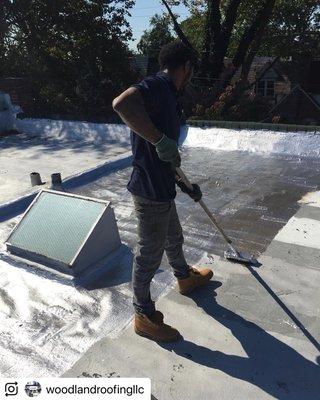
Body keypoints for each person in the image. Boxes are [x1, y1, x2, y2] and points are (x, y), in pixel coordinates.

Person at [112, 40, 213, 342]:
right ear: (186, 68)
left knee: (174, 237)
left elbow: (165, 155)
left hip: (162, 185)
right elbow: (121, 104)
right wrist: (159, 140)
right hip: (149, 190)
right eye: (191, 71)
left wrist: (185, 185)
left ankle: (184, 278)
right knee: (148, 255)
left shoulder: (167, 92)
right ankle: (143, 315)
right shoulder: (157, 85)